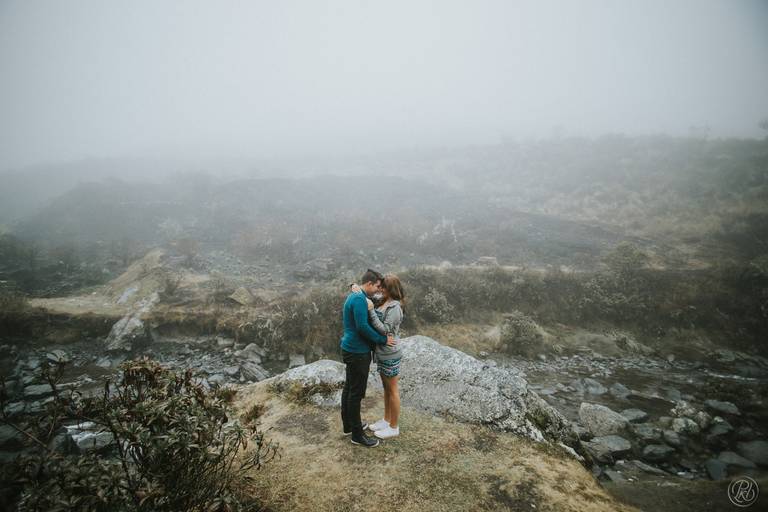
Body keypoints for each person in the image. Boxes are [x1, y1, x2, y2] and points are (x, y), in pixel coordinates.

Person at [340, 269, 396, 448]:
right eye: (377, 286)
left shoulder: (358, 296)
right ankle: (357, 435)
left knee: (349, 388)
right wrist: (382, 339)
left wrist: (353, 286)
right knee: (356, 393)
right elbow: (362, 327)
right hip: (357, 351)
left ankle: (349, 425)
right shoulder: (358, 299)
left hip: (351, 348)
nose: (378, 290)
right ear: (369, 284)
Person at [353, 274, 404, 440]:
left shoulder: (395, 307)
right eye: (380, 286)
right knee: (386, 388)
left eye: (383, 287)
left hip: (390, 353)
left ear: (390, 289)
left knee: (393, 390)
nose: (379, 289)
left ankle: (394, 427)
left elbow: (385, 330)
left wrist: (370, 311)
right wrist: (354, 287)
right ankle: (386, 420)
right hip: (381, 353)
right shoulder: (384, 301)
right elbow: (365, 292)